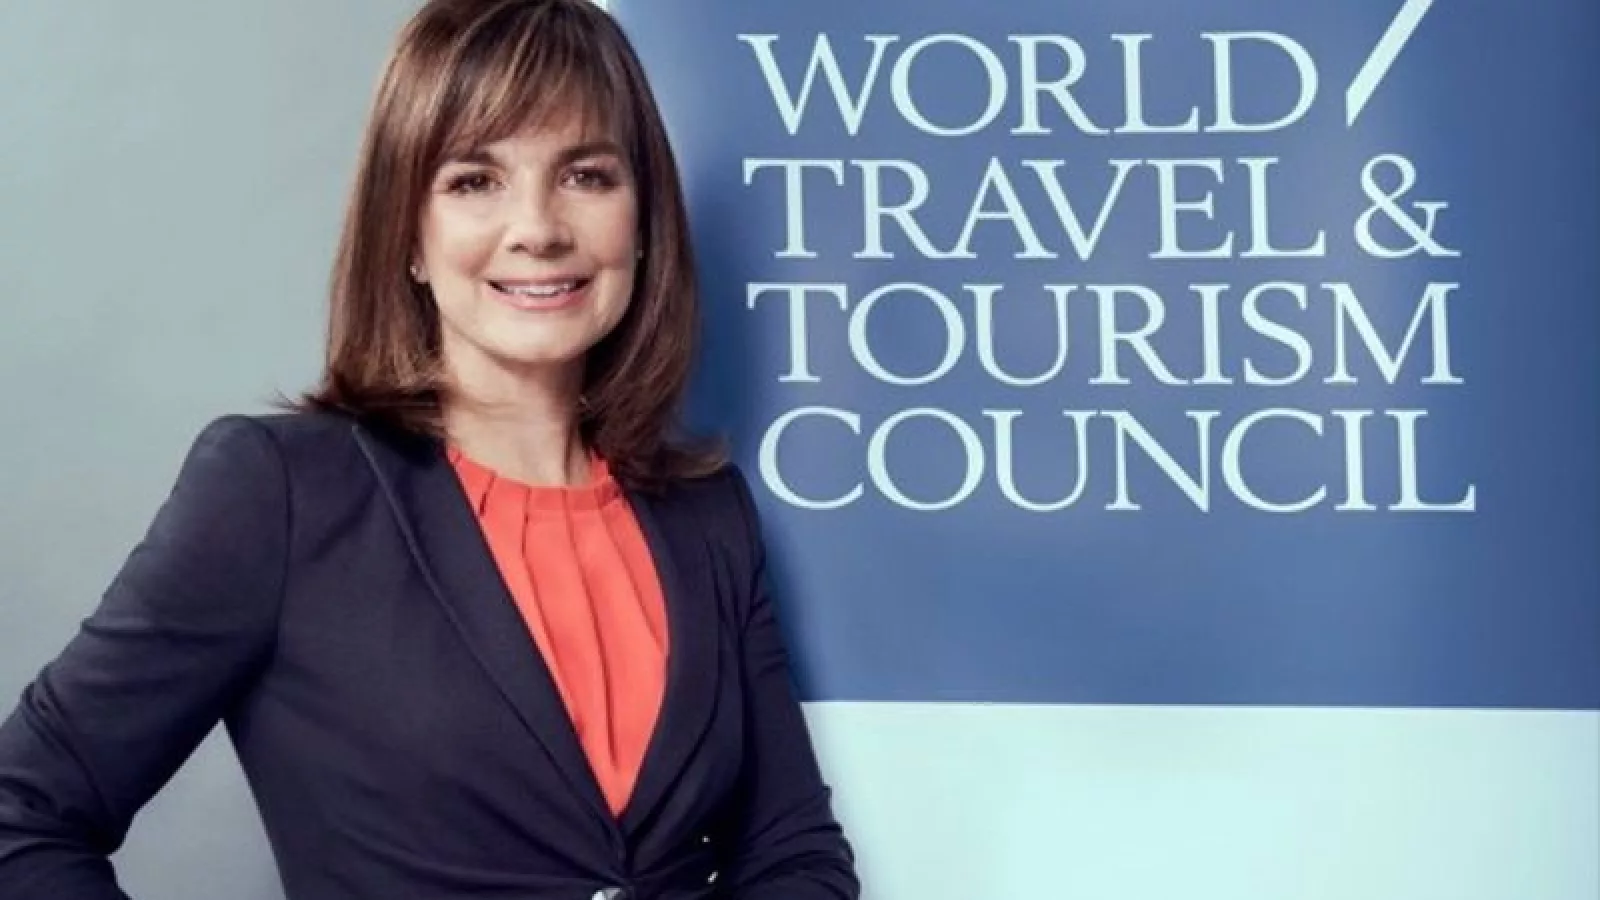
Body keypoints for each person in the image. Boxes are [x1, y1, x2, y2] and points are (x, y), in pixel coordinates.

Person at [0, 1, 859, 897]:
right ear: (408, 234)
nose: (538, 228)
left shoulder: (708, 515)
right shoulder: (280, 492)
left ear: (641, 222)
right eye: (475, 181)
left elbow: (794, 855)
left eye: (586, 175)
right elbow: (19, 813)